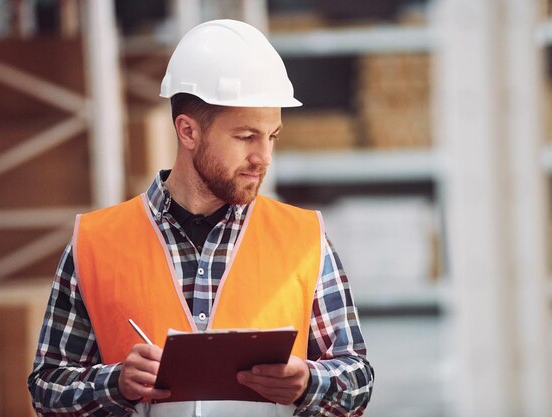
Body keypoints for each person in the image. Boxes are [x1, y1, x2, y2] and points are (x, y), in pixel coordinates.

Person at [28, 19, 374, 417]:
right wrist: (115, 384)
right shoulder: (95, 243)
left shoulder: (304, 240)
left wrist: (309, 383)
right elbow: (46, 391)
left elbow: (357, 381)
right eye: (246, 137)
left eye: (272, 136)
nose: (264, 158)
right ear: (188, 131)